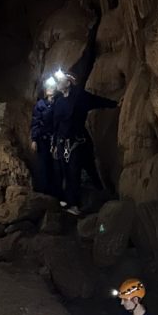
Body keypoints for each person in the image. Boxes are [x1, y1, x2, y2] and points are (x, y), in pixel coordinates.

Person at [51, 72, 117, 215]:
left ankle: (98, 195)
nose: (58, 83)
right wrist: (54, 144)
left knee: (81, 169)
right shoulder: (59, 102)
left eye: (61, 80)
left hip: (77, 141)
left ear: (68, 83)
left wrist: (115, 104)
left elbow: (96, 101)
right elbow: (56, 124)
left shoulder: (79, 97)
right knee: (68, 173)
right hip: (63, 143)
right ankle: (72, 203)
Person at [30, 76, 59, 197]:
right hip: (43, 140)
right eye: (48, 87)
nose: (49, 89)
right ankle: (45, 193)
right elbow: (35, 122)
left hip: (56, 140)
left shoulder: (58, 103)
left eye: (52, 87)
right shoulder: (40, 105)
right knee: (44, 166)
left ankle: (56, 193)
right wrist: (34, 139)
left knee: (56, 167)